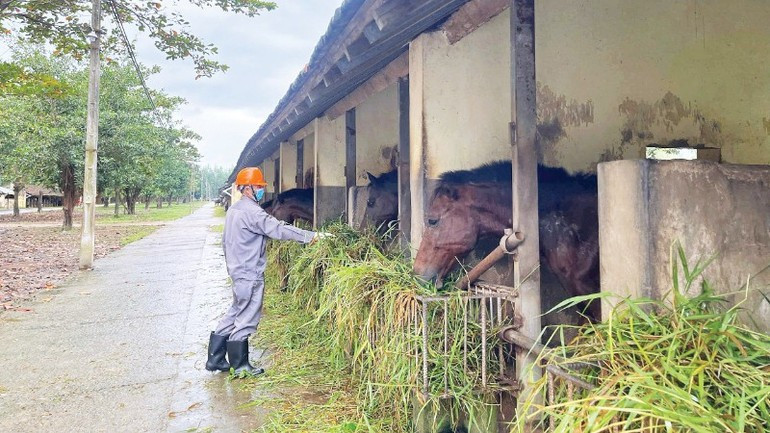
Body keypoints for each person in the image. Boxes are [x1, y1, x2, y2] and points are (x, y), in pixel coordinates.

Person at [205, 167, 329, 377]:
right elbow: (279, 229)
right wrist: (312, 236)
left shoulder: (234, 210)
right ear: (247, 189)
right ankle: (240, 365)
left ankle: (215, 358)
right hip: (249, 272)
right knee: (247, 316)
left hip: (237, 270)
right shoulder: (253, 212)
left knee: (235, 311)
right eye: (259, 187)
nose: (261, 190)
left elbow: (226, 242)